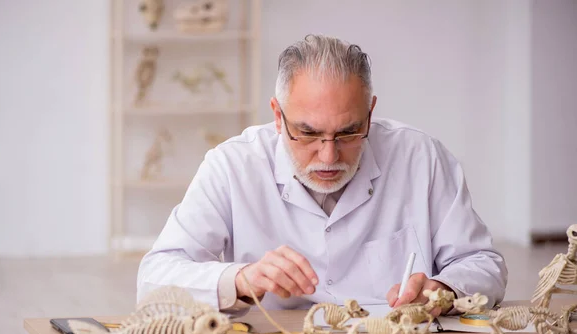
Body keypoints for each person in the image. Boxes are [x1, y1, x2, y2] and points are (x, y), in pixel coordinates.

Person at [137, 34, 507, 317]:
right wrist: (239, 279)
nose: (329, 156)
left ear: (370, 112)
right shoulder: (232, 166)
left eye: (348, 132)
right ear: (277, 116)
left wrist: (443, 288)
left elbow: (484, 265)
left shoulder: (421, 157)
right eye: (308, 133)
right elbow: (153, 280)